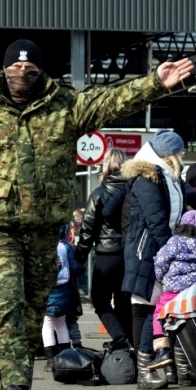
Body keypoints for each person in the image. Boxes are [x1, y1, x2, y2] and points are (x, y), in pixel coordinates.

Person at [0, 39, 193, 390]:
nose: (22, 74)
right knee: (11, 301)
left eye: (30, 69)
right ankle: (15, 386)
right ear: (3, 71)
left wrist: (154, 83)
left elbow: (109, 100)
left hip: (45, 230)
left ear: (40, 72)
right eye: (15, 69)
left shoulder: (64, 106)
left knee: (34, 314)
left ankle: (15, 384)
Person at [120, 131, 187, 389]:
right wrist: (170, 249)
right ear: (169, 155)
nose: (183, 156)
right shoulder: (148, 178)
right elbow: (156, 219)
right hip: (147, 251)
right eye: (180, 152)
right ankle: (146, 371)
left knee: (160, 307)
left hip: (154, 249)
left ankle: (163, 365)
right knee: (147, 308)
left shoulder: (166, 177)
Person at [146, 209, 196, 388]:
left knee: (159, 314)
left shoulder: (176, 241)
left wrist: (162, 277)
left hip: (174, 290)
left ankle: (162, 351)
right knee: (186, 322)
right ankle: (185, 367)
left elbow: (161, 261)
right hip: (195, 291)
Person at [76, 148, 133, 351]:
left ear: (105, 165)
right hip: (129, 255)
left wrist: (79, 258)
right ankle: (130, 346)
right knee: (124, 302)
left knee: (100, 299)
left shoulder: (99, 194)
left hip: (107, 256)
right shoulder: (133, 192)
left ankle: (120, 339)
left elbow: (87, 230)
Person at [42, 227, 84, 371]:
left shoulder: (42, 245)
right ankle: (65, 356)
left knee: (47, 323)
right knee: (61, 322)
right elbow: (75, 267)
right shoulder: (65, 246)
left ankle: (50, 358)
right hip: (64, 288)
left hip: (46, 288)